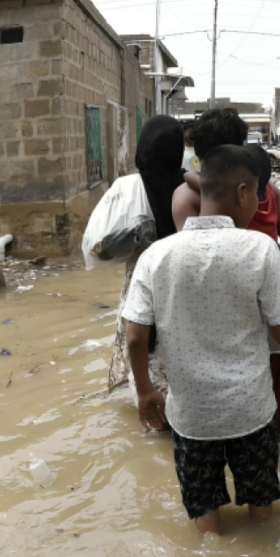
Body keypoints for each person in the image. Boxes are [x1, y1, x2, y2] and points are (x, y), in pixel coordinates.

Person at [122, 145, 280, 535]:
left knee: (205, 520)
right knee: (263, 511)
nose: (259, 202)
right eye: (257, 193)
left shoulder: (156, 255)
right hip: (251, 410)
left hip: (192, 415)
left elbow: (136, 338)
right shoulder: (260, 250)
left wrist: (144, 391)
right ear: (242, 192)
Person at [173, 109, 280, 431]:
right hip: (270, 308)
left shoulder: (187, 195)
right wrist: (274, 276)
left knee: (213, 388)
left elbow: (190, 265)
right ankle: (275, 448)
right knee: (270, 388)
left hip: (218, 310)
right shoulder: (267, 191)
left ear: (202, 157)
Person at [108, 115, 189, 394]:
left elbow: (107, 241)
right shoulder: (188, 185)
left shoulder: (131, 187)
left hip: (141, 275)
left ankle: (146, 397)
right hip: (180, 274)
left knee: (140, 334)